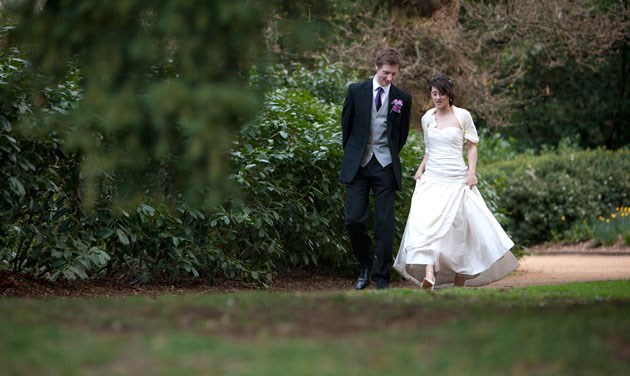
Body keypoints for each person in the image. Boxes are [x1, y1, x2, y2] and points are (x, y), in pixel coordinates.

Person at [394, 73, 519, 289]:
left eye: (442, 93)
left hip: (456, 179)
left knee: (457, 230)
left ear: (449, 95)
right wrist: (421, 168)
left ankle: (459, 282)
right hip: (432, 178)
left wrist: (472, 172)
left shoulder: (462, 116)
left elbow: (472, 145)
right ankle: (430, 273)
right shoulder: (427, 118)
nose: (438, 97)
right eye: (434, 93)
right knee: (425, 224)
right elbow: (429, 149)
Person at [340, 47, 413, 290]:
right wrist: (354, 155)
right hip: (358, 165)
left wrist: (387, 156)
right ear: (376, 67)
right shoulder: (356, 91)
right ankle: (365, 264)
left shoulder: (402, 98)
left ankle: (382, 277)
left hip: (385, 166)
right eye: (386, 72)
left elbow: (400, 136)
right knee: (353, 220)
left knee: (384, 223)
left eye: (394, 73)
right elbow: (346, 127)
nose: (389, 78)